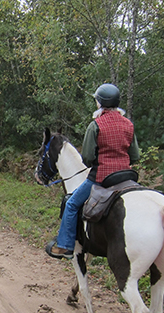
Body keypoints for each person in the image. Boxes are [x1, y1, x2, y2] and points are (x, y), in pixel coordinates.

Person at [46, 83, 140, 259]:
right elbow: (134, 156)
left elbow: (87, 158)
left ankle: (66, 246)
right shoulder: (129, 124)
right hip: (127, 178)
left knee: (72, 203)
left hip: (102, 177)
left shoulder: (95, 125)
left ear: (100, 103)